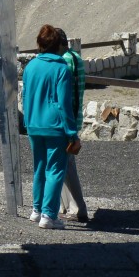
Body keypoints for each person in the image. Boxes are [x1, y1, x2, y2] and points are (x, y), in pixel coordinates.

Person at [22, 24, 80, 230]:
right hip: (55, 126)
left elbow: (25, 97)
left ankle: (36, 211)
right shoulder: (61, 69)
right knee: (55, 170)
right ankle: (49, 215)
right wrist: (72, 132)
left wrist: (27, 122)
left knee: (39, 168)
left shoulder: (30, 67)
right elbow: (64, 104)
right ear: (58, 45)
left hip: (33, 125)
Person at [56, 29, 89, 224]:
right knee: (65, 165)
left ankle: (77, 208)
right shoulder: (76, 57)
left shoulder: (66, 61)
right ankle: (69, 207)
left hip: (65, 121)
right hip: (73, 119)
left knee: (66, 167)